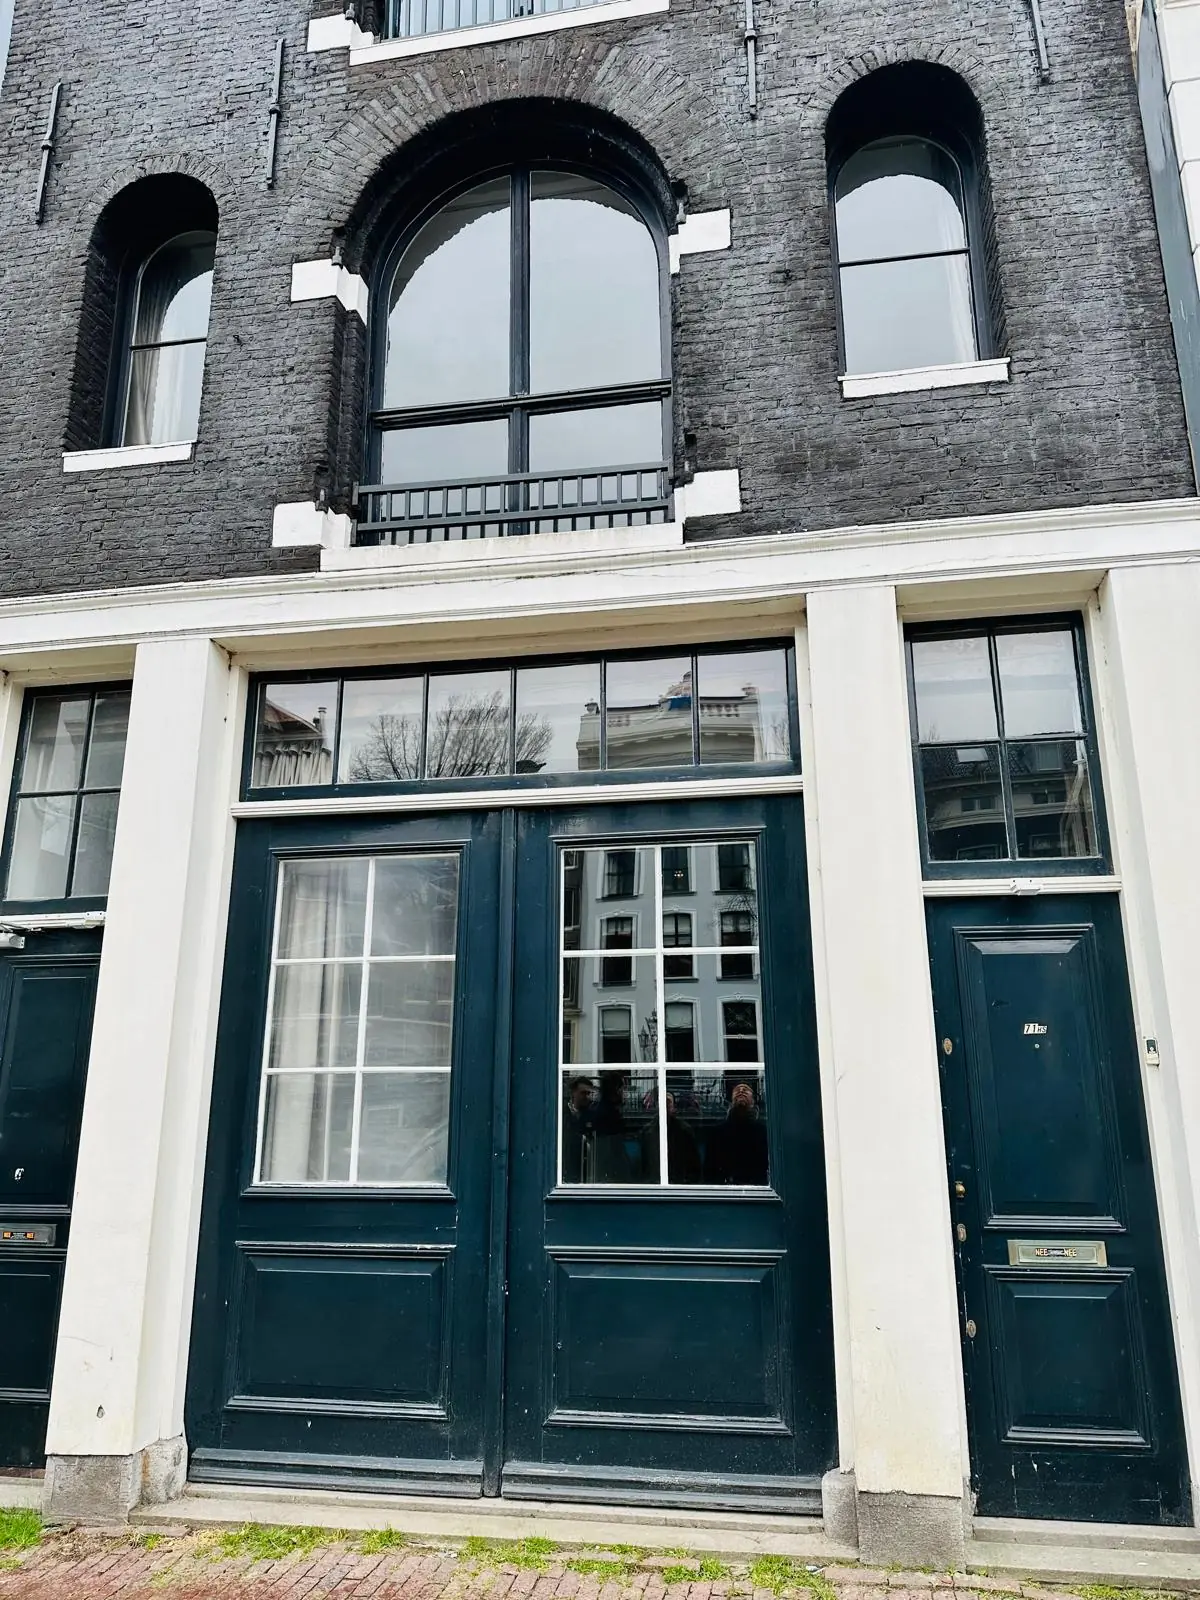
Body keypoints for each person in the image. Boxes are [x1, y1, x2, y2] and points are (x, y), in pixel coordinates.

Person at [704, 1080, 769, 1185]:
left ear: (753, 1101)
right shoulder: (717, 1132)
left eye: (746, 1090)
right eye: (737, 1090)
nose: (741, 1091)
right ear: (731, 1099)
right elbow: (709, 1167)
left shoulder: (763, 1132)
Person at [639, 1091, 703, 1184]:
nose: (666, 1107)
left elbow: (693, 1162)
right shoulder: (648, 1131)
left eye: (668, 1104)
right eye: (664, 1103)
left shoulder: (684, 1130)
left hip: (676, 1181)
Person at [561, 1075, 594, 1184]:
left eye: (589, 1094)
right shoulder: (561, 1112)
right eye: (583, 1093)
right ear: (573, 1092)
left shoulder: (591, 1113)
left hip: (586, 1167)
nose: (587, 1097)